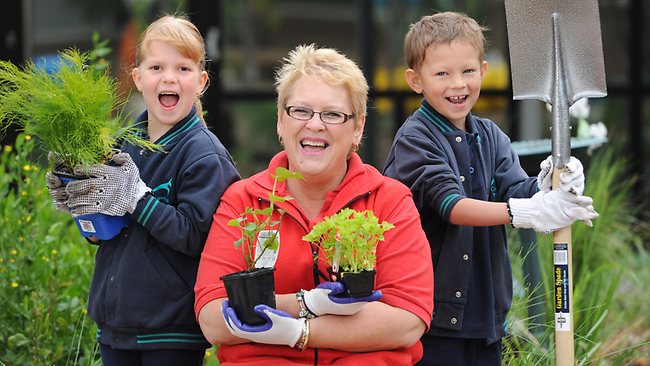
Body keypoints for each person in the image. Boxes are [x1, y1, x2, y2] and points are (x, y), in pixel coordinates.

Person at [194, 44, 434, 365]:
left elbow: (406, 320)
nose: (315, 125)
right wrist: (305, 304)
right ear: (281, 121)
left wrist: (296, 331)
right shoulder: (243, 201)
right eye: (300, 111)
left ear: (357, 128)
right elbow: (212, 318)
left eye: (333, 114)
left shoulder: (389, 201)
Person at [383, 12, 599, 366]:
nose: (458, 84)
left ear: (483, 70)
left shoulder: (491, 135)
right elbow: (451, 205)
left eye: (468, 71)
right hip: (430, 318)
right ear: (415, 80)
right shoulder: (415, 139)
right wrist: (525, 212)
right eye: (442, 73)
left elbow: (516, 188)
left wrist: (549, 182)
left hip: (486, 314)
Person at [45, 15, 240, 366]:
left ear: (201, 81)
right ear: (138, 78)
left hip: (170, 330)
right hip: (116, 321)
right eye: (156, 67)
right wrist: (81, 204)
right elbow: (107, 233)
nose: (169, 77)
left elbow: (197, 236)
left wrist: (136, 198)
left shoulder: (203, 155)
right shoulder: (122, 145)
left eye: (183, 68)